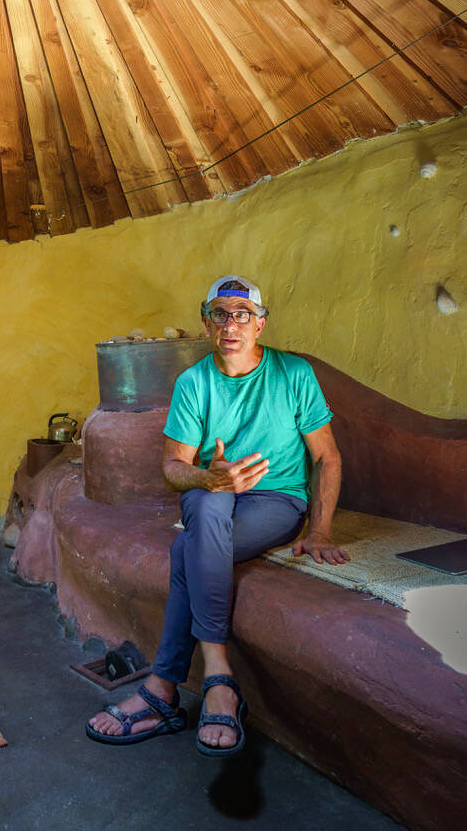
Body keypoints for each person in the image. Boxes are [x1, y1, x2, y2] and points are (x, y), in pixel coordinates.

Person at [86, 274, 349, 754]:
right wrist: (213, 478)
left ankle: (162, 690)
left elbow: (326, 457)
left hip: (276, 501)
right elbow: (172, 468)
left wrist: (322, 529)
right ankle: (220, 679)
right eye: (220, 314)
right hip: (209, 491)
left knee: (190, 545)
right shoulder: (193, 383)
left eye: (242, 314)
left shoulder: (295, 375)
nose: (231, 324)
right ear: (206, 324)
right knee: (207, 505)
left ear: (260, 325)